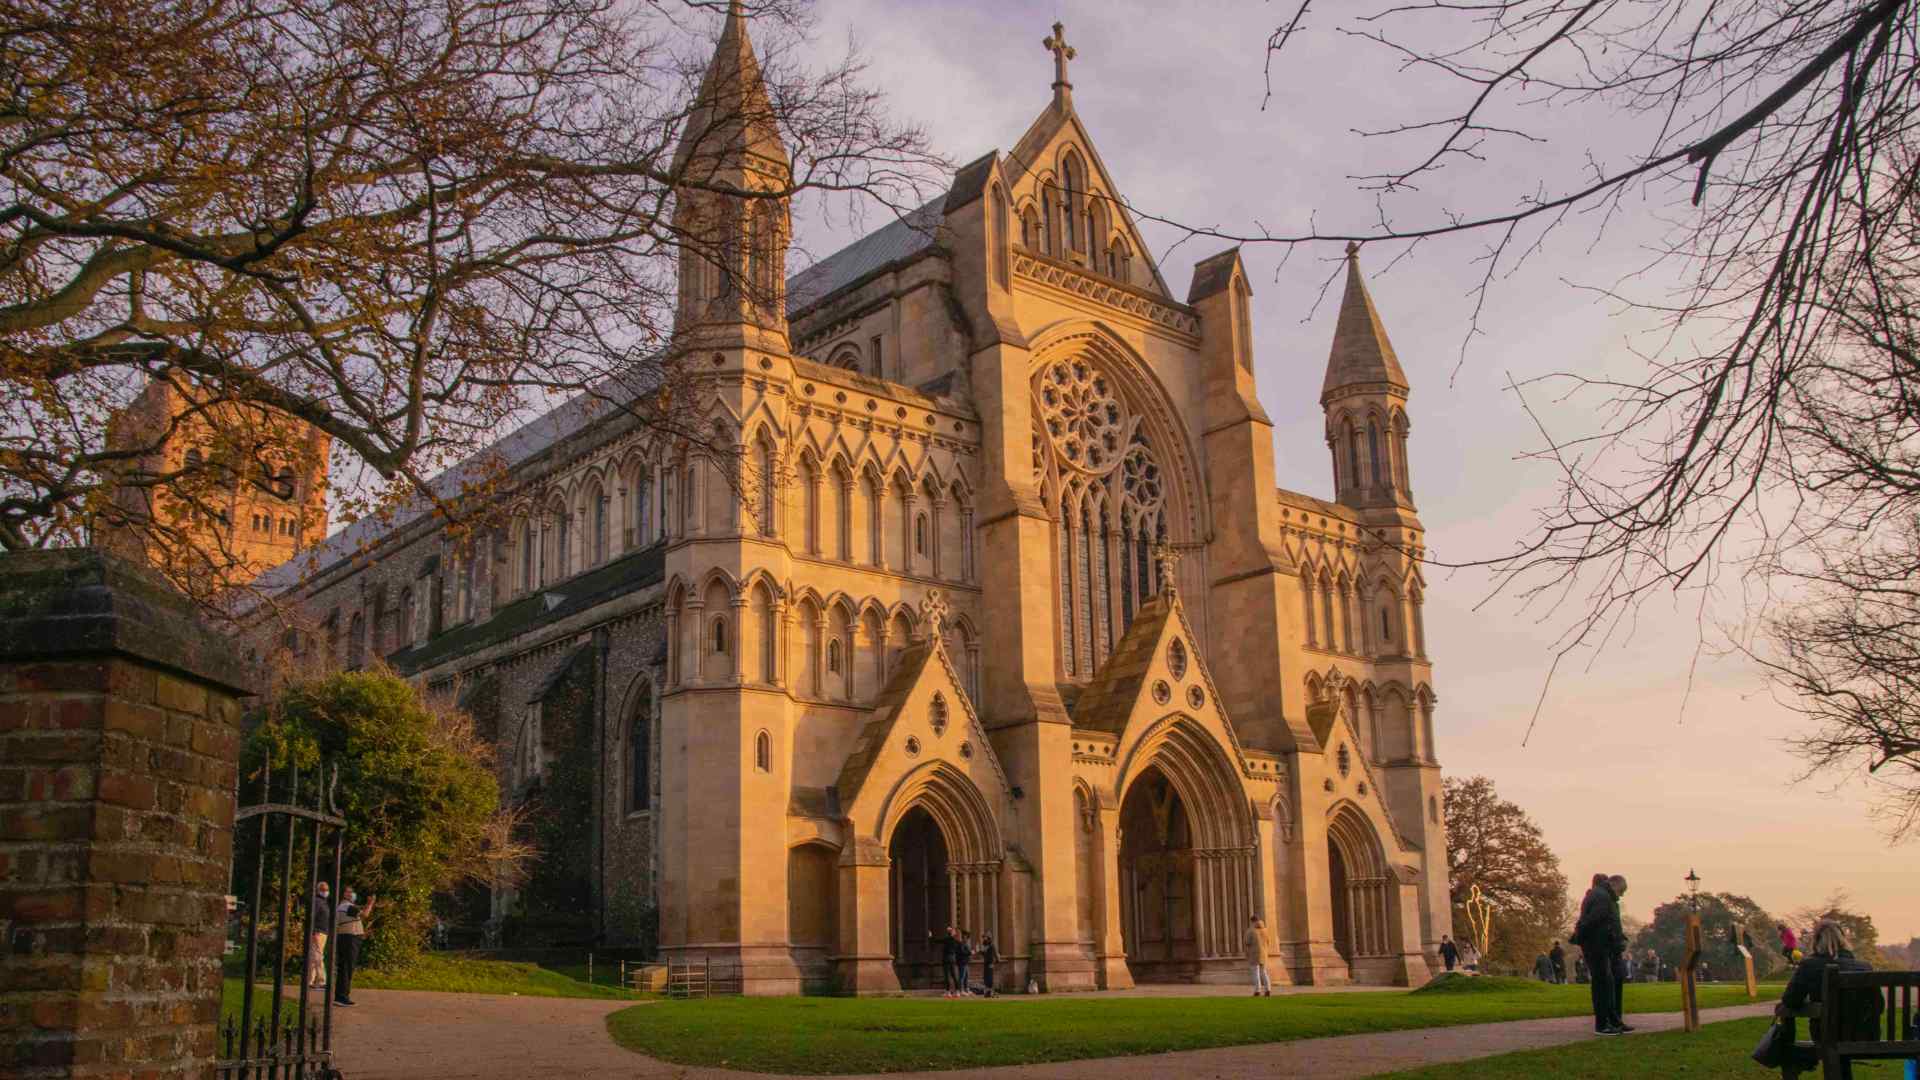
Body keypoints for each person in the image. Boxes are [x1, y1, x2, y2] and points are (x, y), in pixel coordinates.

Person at [1776, 921, 1881, 1078]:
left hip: (1826, 1038)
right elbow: (1879, 1005)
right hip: (1862, 1038)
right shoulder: (1864, 967)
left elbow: (1790, 1001)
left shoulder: (1810, 966)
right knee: (1839, 1045)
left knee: (1792, 1049)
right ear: (1843, 940)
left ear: (1817, 941)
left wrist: (1813, 1007)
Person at [1571, 872, 1628, 1035]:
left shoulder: (1601, 896)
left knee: (1606, 982)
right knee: (1603, 983)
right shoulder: (1602, 898)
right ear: (1614, 885)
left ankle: (1611, 1021)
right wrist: (1609, 939)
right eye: (1621, 891)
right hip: (1598, 946)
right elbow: (1592, 922)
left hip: (1599, 945)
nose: (1621, 895)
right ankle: (1602, 1025)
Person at [332, 887, 374, 1007]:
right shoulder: (347, 906)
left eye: (352, 892)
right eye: (349, 892)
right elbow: (365, 914)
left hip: (346, 938)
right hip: (350, 939)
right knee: (347, 968)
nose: (352, 894)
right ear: (344, 894)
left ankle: (340, 996)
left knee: (344, 967)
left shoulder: (343, 907)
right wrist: (370, 903)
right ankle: (342, 997)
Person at [306, 880, 331, 990]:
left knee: (314, 957)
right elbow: (312, 917)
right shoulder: (317, 901)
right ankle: (321, 981)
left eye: (327, 889)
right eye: (323, 889)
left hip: (323, 932)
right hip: (318, 932)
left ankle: (309, 981)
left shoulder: (323, 902)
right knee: (318, 956)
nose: (326, 891)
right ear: (318, 890)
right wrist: (314, 931)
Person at [929, 925, 963, 998]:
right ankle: (957, 992)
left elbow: (936, 941)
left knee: (947, 976)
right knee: (954, 975)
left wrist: (930, 936)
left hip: (946, 959)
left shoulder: (946, 939)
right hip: (953, 959)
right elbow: (960, 949)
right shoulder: (956, 941)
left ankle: (948, 992)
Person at [1244, 916, 1273, 996]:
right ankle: (1268, 989)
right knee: (1264, 972)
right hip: (1264, 954)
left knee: (1256, 972)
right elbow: (1268, 942)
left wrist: (1247, 954)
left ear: (1252, 921)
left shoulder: (1251, 931)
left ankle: (1257, 990)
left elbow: (1247, 943)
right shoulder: (1265, 930)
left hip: (1254, 954)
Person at [978, 932, 999, 997]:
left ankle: (991, 992)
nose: (984, 939)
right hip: (986, 963)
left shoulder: (991, 945)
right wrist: (980, 952)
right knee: (986, 977)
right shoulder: (986, 945)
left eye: (985, 937)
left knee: (990, 978)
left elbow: (995, 954)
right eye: (983, 938)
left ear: (988, 938)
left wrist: (996, 960)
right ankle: (988, 992)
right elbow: (985, 954)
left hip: (990, 963)